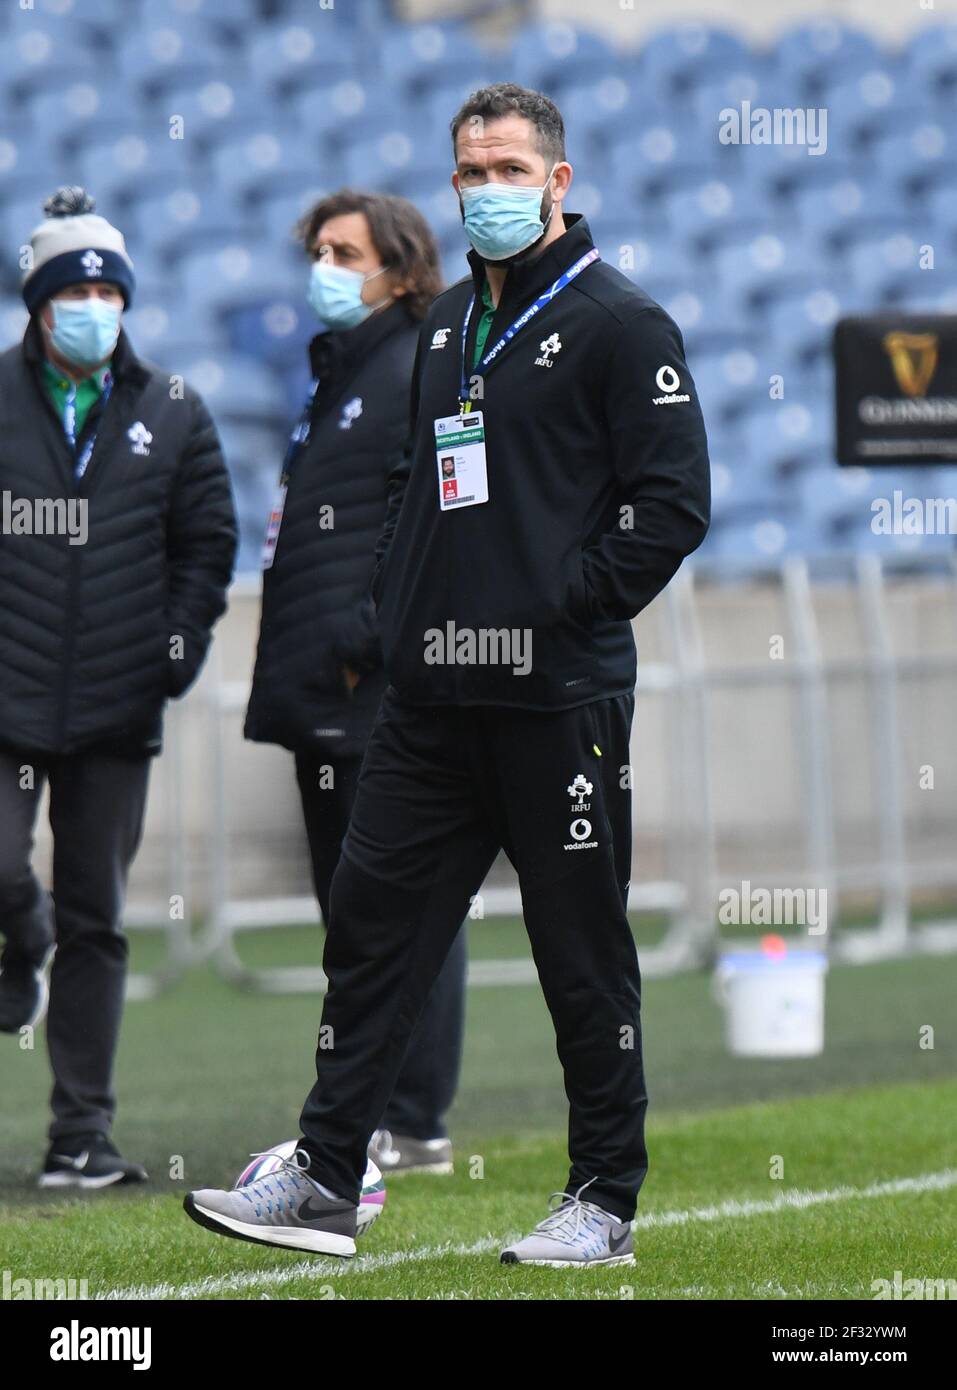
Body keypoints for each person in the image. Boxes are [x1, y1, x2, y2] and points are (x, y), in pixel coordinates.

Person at [185, 82, 710, 1266]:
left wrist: (555, 609)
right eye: (471, 171)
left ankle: (604, 1200)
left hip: (555, 698)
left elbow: (673, 507)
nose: (487, 191)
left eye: (512, 170)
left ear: (560, 184)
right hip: (429, 701)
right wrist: (396, 613)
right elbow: (421, 496)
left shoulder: (625, 323)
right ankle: (326, 1176)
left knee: (581, 955)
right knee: (370, 933)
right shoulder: (445, 332)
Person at [0, 187, 237, 1188]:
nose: (94, 304)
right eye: (75, 289)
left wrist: (175, 646)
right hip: (4, 704)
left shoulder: (173, 410)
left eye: (109, 288)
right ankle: (23, 930)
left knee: (99, 915)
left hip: (114, 706)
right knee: (8, 874)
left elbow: (209, 541)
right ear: (39, 305)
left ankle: (80, 1134)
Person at [244, 190, 465, 1176]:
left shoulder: (422, 357)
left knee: (399, 903)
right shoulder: (338, 369)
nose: (324, 267)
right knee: (354, 906)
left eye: (344, 251)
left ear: (404, 268)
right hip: (319, 685)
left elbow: (435, 510)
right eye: (317, 250)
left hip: (372, 682)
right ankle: (386, 1106)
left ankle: (409, 1113)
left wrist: (366, 635)